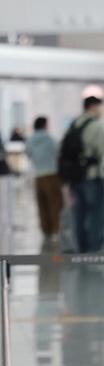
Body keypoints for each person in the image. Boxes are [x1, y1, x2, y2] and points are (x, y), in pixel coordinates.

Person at [63, 96, 104, 252]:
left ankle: (80, 248)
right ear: (93, 107)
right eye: (100, 107)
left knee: (78, 215)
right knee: (96, 215)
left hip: (75, 178)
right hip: (93, 177)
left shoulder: (74, 124)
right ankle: (93, 250)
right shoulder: (96, 126)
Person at [25, 116, 64, 242]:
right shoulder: (50, 138)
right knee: (54, 204)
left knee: (41, 204)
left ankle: (45, 230)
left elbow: (28, 154)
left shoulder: (30, 140)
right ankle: (55, 230)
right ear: (45, 125)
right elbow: (58, 153)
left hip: (38, 176)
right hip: (51, 174)